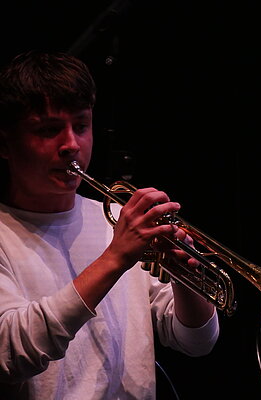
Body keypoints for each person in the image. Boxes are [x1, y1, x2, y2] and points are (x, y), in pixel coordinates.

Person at [0, 50, 219, 399]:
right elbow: (10, 354)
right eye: (49, 130)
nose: (71, 144)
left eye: (81, 126)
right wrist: (115, 257)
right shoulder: (6, 234)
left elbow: (196, 342)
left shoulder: (117, 219)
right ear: (5, 143)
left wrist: (186, 278)